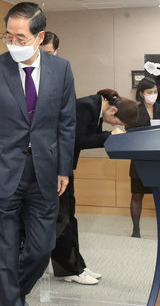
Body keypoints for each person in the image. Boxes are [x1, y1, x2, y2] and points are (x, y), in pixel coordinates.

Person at [0, 2, 77, 306]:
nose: (13, 44)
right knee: (3, 252)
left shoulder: (61, 69)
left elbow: (66, 122)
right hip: (2, 170)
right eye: (8, 37)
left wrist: (63, 169)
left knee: (41, 249)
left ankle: (11, 295)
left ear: (39, 36)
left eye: (20, 38)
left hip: (44, 171)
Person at [51, 89, 137, 285]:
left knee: (70, 217)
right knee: (62, 219)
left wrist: (108, 135)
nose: (113, 124)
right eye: (116, 122)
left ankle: (77, 264)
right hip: (54, 169)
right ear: (113, 109)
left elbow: (84, 138)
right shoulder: (86, 107)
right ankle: (68, 269)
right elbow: (75, 140)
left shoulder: (96, 108)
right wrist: (108, 135)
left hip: (64, 168)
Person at [128, 77, 159, 238]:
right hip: (139, 159)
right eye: (149, 92)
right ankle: (136, 231)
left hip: (158, 159)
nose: (153, 95)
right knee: (137, 195)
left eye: (155, 92)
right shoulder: (135, 110)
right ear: (141, 93)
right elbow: (129, 134)